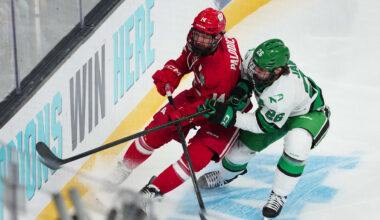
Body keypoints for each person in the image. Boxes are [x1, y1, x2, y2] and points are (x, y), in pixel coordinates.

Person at [106, 7, 251, 204]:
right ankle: (124, 168)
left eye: (206, 37)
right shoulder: (198, 44)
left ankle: (152, 192)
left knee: (197, 157)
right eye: (197, 34)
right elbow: (183, 63)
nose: (199, 40)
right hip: (198, 96)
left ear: (218, 38)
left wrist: (183, 115)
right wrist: (171, 74)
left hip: (224, 113)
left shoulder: (222, 71)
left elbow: (208, 109)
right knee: (157, 129)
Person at [197, 39, 331, 218]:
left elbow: (261, 125)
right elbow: (246, 73)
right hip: (275, 113)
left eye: (261, 70)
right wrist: (241, 90)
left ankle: (279, 195)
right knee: (238, 152)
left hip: (308, 114)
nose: (255, 70)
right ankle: (224, 176)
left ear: (277, 71)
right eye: (255, 65)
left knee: (297, 146)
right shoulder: (256, 60)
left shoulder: (282, 92)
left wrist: (229, 117)